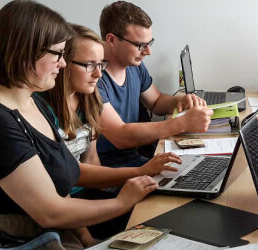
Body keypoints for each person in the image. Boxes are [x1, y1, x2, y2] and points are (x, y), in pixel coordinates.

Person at [0, 0, 158, 247]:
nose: (62, 63)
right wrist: (121, 202)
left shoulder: (31, 103)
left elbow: (67, 172)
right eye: (58, 54)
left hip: (54, 238)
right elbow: (51, 212)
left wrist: (139, 173)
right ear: (26, 52)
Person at [42, 24, 181, 192]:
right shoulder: (42, 110)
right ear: (64, 64)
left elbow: (92, 161)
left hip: (89, 191)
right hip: (64, 198)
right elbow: (64, 176)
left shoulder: (89, 99)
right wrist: (138, 174)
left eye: (100, 64)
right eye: (89, 65)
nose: (98, 74)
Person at [97, 1, 213, 169]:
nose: (148, 51)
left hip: (137, 159)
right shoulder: (93, 78)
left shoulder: (133, 64)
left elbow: (156, 101)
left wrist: (181, 101)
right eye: (140, 45)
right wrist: (182, 124)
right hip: (111, 170)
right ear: (111, 40)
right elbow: (120, 136)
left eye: (149, 43)